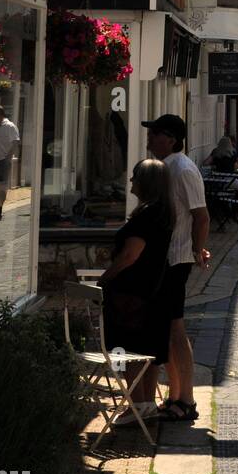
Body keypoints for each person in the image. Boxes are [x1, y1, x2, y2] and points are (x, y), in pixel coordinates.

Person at [139, 115, 209, 423]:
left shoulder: (182, 170)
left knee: (175, 329)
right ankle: (175, 396)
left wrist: (197, 249)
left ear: (170, 138)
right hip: (164, 259)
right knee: (166, 330)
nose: (149, 139)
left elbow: (201, 215)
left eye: (154, 134)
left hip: (176, 258)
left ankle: (187, 399)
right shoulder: (166, 168)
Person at [100, 158, 173, 426]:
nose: (130, 181)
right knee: (147, 350)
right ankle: (145, 404)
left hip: (133, 294)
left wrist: (107, 277)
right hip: (151, 290)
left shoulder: (147, 215)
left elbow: (131, 254)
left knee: (129, 350)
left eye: (134, 177)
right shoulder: (162, 211)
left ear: (145, 182)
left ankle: (135, 406)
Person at [0, 103, 19, 222]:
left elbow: (15, 143)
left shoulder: (10, 126)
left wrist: (8, 158)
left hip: (2, 159)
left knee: (1, 186)